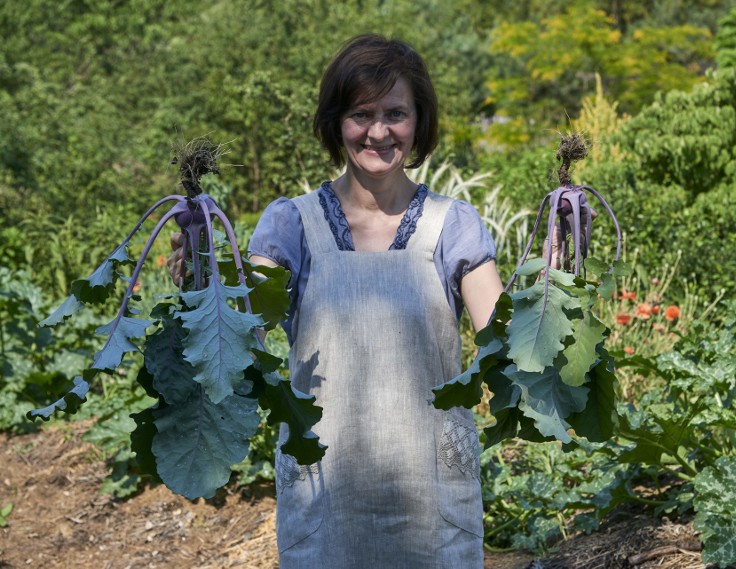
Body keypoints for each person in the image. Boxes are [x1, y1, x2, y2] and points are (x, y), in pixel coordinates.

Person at [173, 33, 503, 568]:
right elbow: (240, 335)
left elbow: (503, 338)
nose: (378, 131)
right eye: (360, 114)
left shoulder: (453, 225)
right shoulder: (292, 224)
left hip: (431, 500)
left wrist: (550, 285)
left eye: (396, 113)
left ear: (419, 122)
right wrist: (200, 275)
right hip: (325, 494)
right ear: (336, 124)